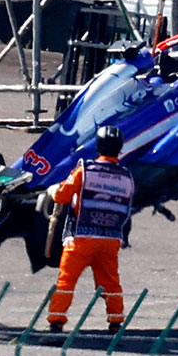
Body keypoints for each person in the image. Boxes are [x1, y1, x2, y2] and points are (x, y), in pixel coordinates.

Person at [46, 125, 135, 333]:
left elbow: (62, 196)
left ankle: (56, 322)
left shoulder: (85, 171)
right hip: (111, 239)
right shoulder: (126, 176)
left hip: (82, 237)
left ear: (98, 146)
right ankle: (115, 322)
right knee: (111, 282)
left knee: (66, 280)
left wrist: (53, 191)